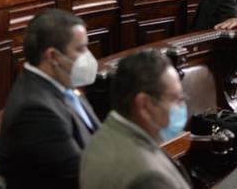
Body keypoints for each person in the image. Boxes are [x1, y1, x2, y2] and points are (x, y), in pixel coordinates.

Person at [0, 9, 100, 189]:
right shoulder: (36, 112)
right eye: (80, 49)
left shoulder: (64, 84)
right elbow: (79, 180)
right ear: (53, 56)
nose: (88, 56)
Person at [79, 49, 191, 189]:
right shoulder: (150, 179)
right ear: (144, 105)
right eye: (175, 99)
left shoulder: (104, 135)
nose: (181, 106)